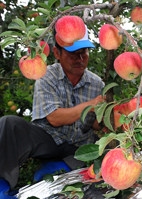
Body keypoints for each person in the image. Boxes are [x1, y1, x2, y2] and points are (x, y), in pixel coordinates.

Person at [0, 25, 105, 198]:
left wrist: (110, 115)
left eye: (84, 52)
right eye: (73, 53)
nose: (80, 58)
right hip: (50, 140)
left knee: (98, 151)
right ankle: (2, 186)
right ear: (57, 53)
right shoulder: (46, 76)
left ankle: (63, 168)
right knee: (9, 124)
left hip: (78, 148)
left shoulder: (97, 84)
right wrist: (91, 105)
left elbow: (97, 126)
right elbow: (55, 118)